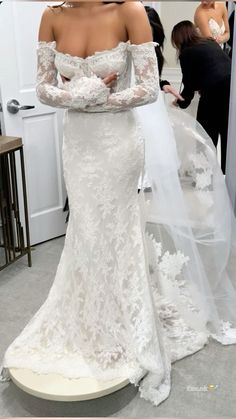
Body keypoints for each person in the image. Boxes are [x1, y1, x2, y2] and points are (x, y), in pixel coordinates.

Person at [1, 1, 236, 408]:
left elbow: (146, 87)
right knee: (86, 229)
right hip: (79, 144)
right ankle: (87, 314)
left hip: (118, 144)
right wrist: (90, 91)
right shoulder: (52, 16)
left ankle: (127, 321)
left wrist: (81, 98)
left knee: (117, 228)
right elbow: (43, 88)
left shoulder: (129, 11)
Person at [171, 20, 231, 174]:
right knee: (227, 134)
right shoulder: (210, 42)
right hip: (231, 90)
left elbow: (189, 85)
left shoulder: (187, 53)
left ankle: (206, 176)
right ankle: (228, 176)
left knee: (205, 135)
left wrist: (181, 102)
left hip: (214, 92)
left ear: (179, 39)